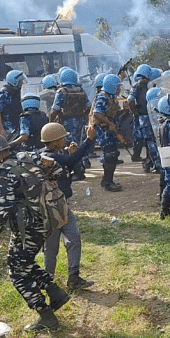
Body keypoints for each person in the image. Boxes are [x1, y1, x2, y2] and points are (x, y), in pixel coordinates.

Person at [0, 133, 71, 332]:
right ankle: (55, 293)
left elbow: (4, 206)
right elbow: (58, 169)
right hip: (45, 222)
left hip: (26, 229)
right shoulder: (31, 156)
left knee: (17, 273)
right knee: (25, 262)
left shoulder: (2, 172)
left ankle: (46, 315)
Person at [38, 123, 96, 290]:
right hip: (50, 208)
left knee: (73, 237)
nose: (65, 139)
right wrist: (89, 140)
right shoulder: (49, 157)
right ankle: (48, 281)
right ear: (54, 141)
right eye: (62, 137)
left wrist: (72, 155)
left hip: (62, 204)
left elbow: (69, 165)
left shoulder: (56, 155)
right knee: (51, 247)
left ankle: (73, 277)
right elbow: (70, 161)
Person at [50, 68, 90, 179]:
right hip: (80, 122)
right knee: (79, 144)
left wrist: (51, 123)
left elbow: (55, 109)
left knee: (70, 147)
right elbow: (89, 107)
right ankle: (81, 167)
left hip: (67, 123)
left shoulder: (61, 91)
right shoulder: (81, 90)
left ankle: (78, 172)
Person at [92, 74, 127, 192]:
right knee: (110, 155)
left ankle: (107, 180)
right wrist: (109, 124)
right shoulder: (102, 97)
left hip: (110, 130)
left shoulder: (111, 97)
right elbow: (97, 113)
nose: (118, 89)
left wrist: (124, 111)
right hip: (103, 130)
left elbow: (114, 114)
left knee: (113, 154)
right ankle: (108, 182)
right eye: (117, 87)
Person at [128, 64, 154, 163]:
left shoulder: (136, 86)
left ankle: (137, 155)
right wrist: (135, 113)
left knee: (139, 137)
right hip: (148, 116)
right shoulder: (151, 85)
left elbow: (130, 101)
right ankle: (150, 158)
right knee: (150, 138)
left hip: (141, 116)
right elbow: (130, 101)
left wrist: (135, 113)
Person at [0, 70, 27, 137]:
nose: (21, 83)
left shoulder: (17, 91)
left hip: (18, 125)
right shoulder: (4, 93)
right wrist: (1, 129)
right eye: (20, 81)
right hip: (9, 128)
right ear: (14, 82)